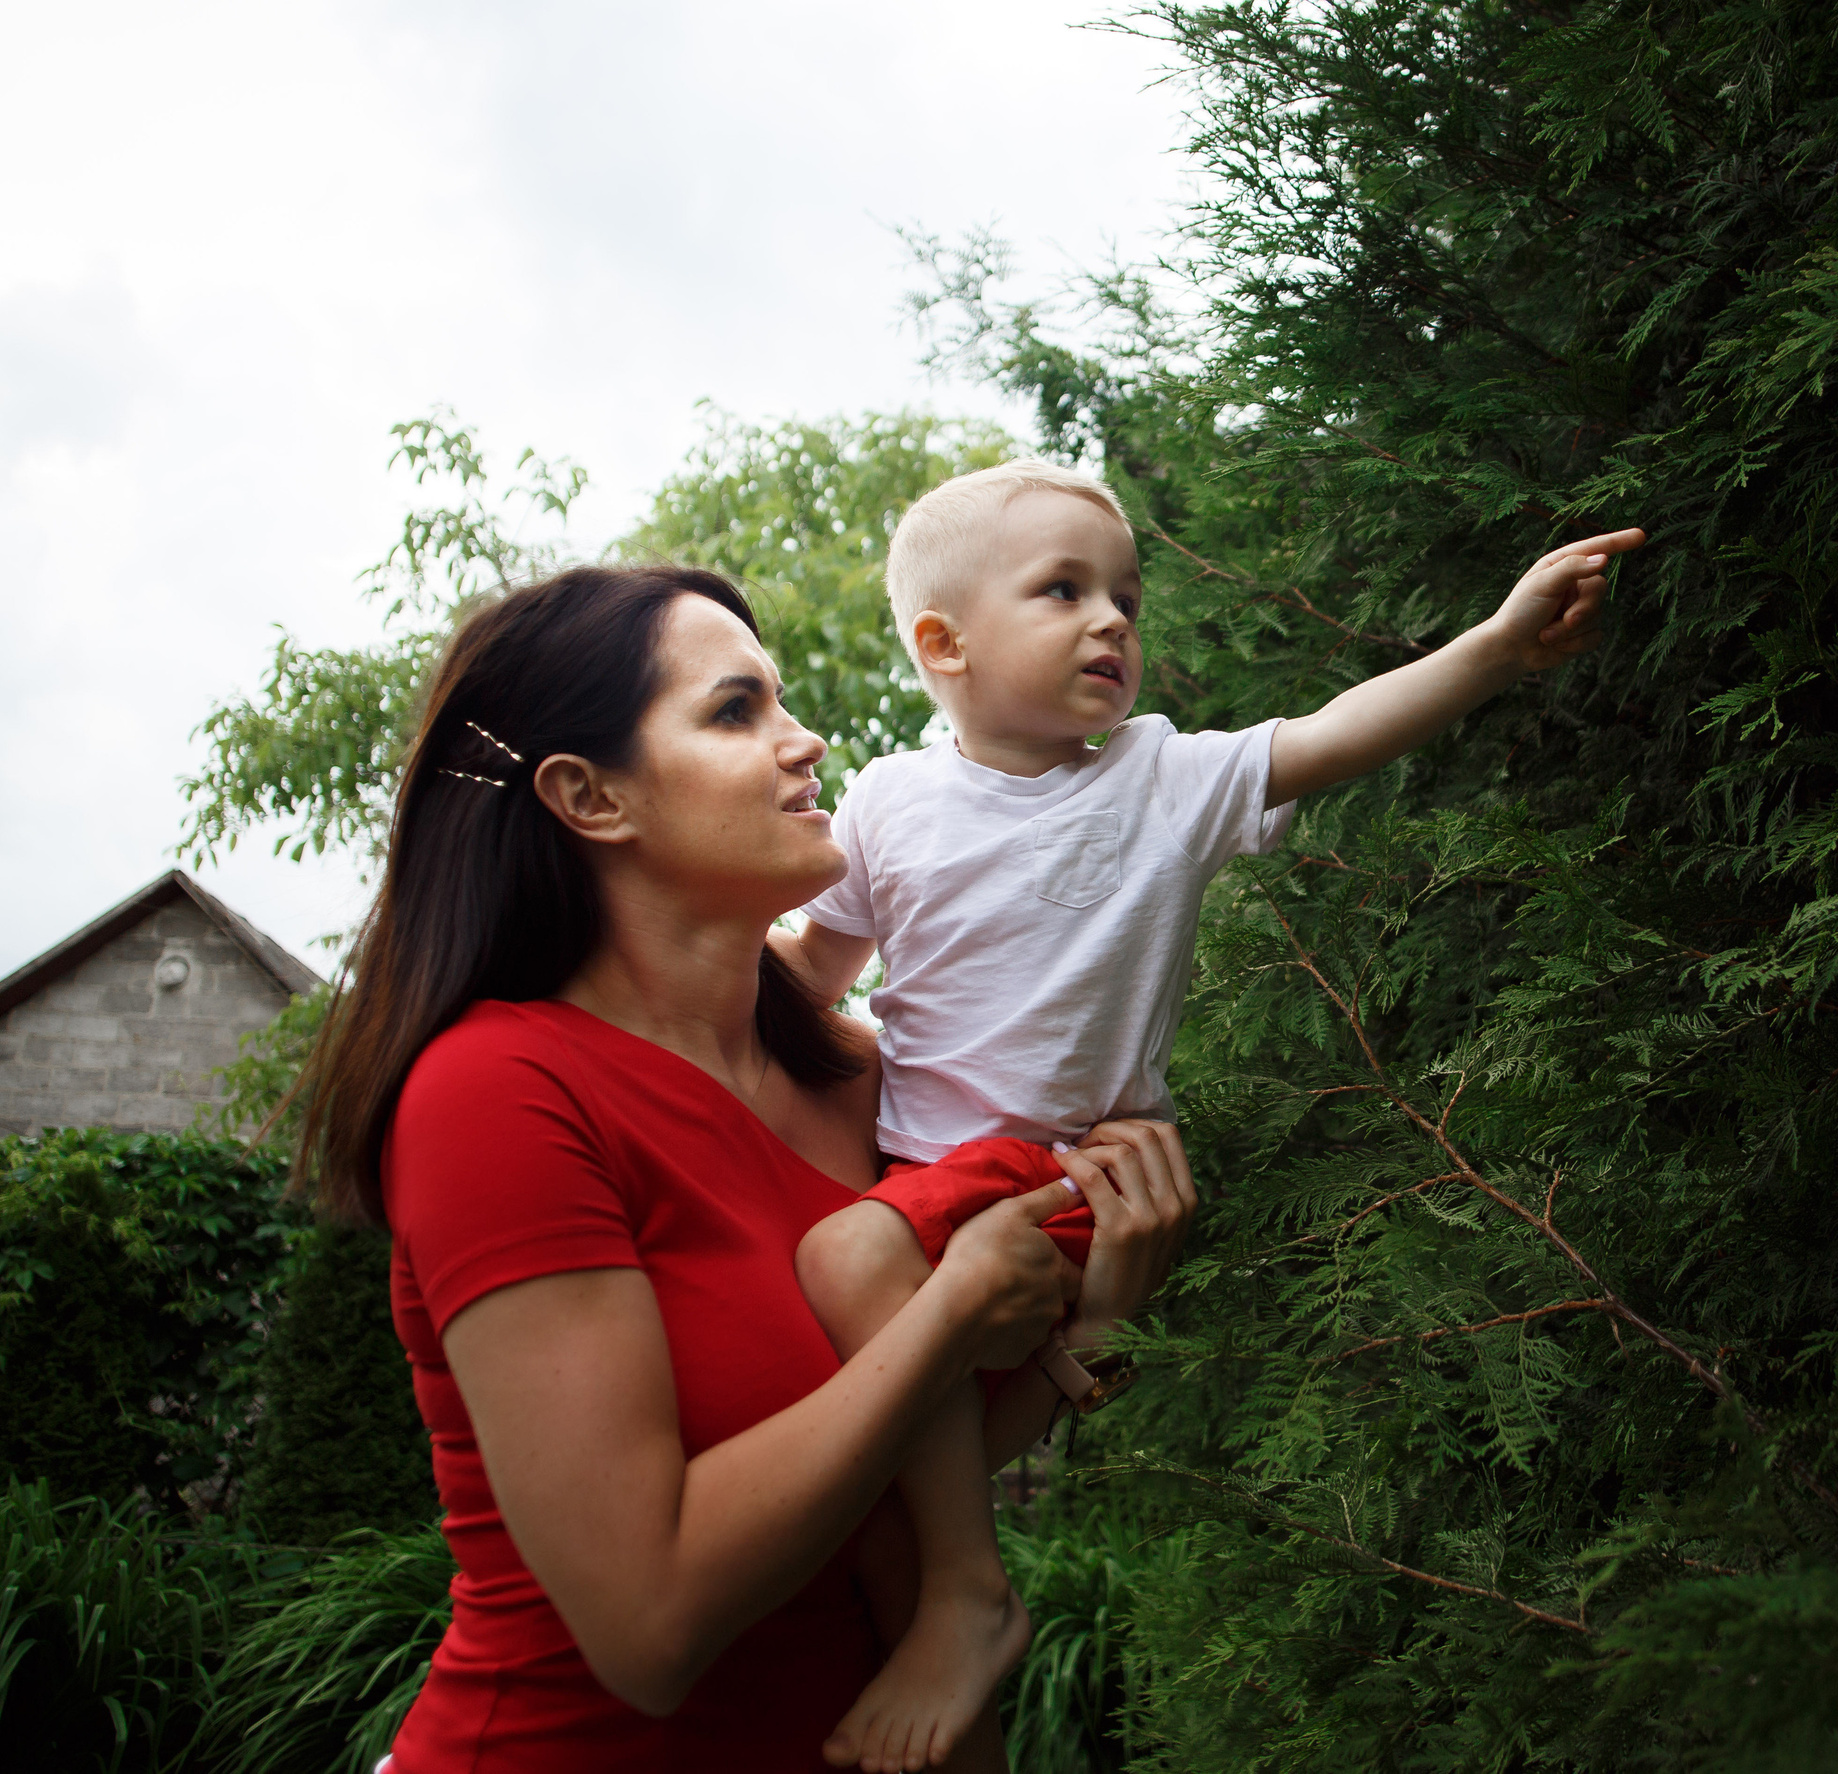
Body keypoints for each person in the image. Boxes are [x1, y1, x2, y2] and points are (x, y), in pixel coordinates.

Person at [782, 460, 1643, 1772]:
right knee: (889, 1396)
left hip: (1062, 1182)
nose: (1114, 618)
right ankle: (953, 1581)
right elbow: (805, 980)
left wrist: (1493, 645)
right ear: (941, 644)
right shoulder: (888, 803)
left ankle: (968, 1591)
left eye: (1125, 593)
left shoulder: (1157, 779)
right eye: (1063, 589)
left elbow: (1336, 731)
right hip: (929, 1192)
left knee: (847, 1256)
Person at [291, 562, 1199, 1773]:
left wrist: (1096, 1322)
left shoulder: (867, 1076)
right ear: (589, 797)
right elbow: (646, 1623)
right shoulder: (499, 1092)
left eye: (779, 702)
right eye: (736, 712)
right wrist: (950, 1314)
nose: (804, 740)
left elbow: (899, 1464)